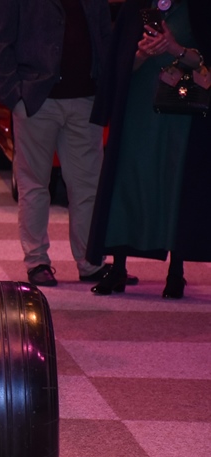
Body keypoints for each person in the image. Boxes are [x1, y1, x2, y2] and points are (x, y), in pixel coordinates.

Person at [86, 0, 211, 298]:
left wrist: (175, 48)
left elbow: (205, 61)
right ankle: (118, 267)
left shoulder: (200, 8)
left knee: (175, 186)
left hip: (182, 115)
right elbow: (117, 66)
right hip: (137, 111)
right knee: (127, 182)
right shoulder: (135, 8)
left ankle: (176, 272)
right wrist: (142, 54)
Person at [0, 0, 115, 287]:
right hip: (36, 99)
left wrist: (105, 88)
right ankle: (37, 262)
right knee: (34, 185)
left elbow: (103, 36)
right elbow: (0, 41)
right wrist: (14, 96)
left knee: (88, 188)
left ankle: (90, 262)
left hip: (86, 99)